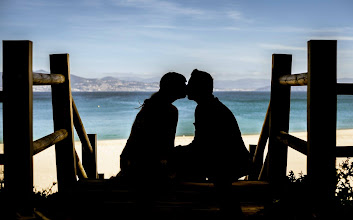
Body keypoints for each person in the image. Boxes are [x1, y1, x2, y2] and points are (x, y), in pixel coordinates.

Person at [174, 69, 250, 218]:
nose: (187, 88)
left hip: (227, 162)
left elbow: (201, 145)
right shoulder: (209, 105)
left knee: (175, 161)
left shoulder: (205, 108)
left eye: (190, 84)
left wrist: (178, 152)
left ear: (198, 88)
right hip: (229, 159)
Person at [119, 72, 186, 188]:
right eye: (183, 85)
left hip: (130, 162)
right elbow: (166, 145)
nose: (186, 87)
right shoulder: (170, 110)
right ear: (173, 88)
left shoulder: (152, 105)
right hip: (143, 167)